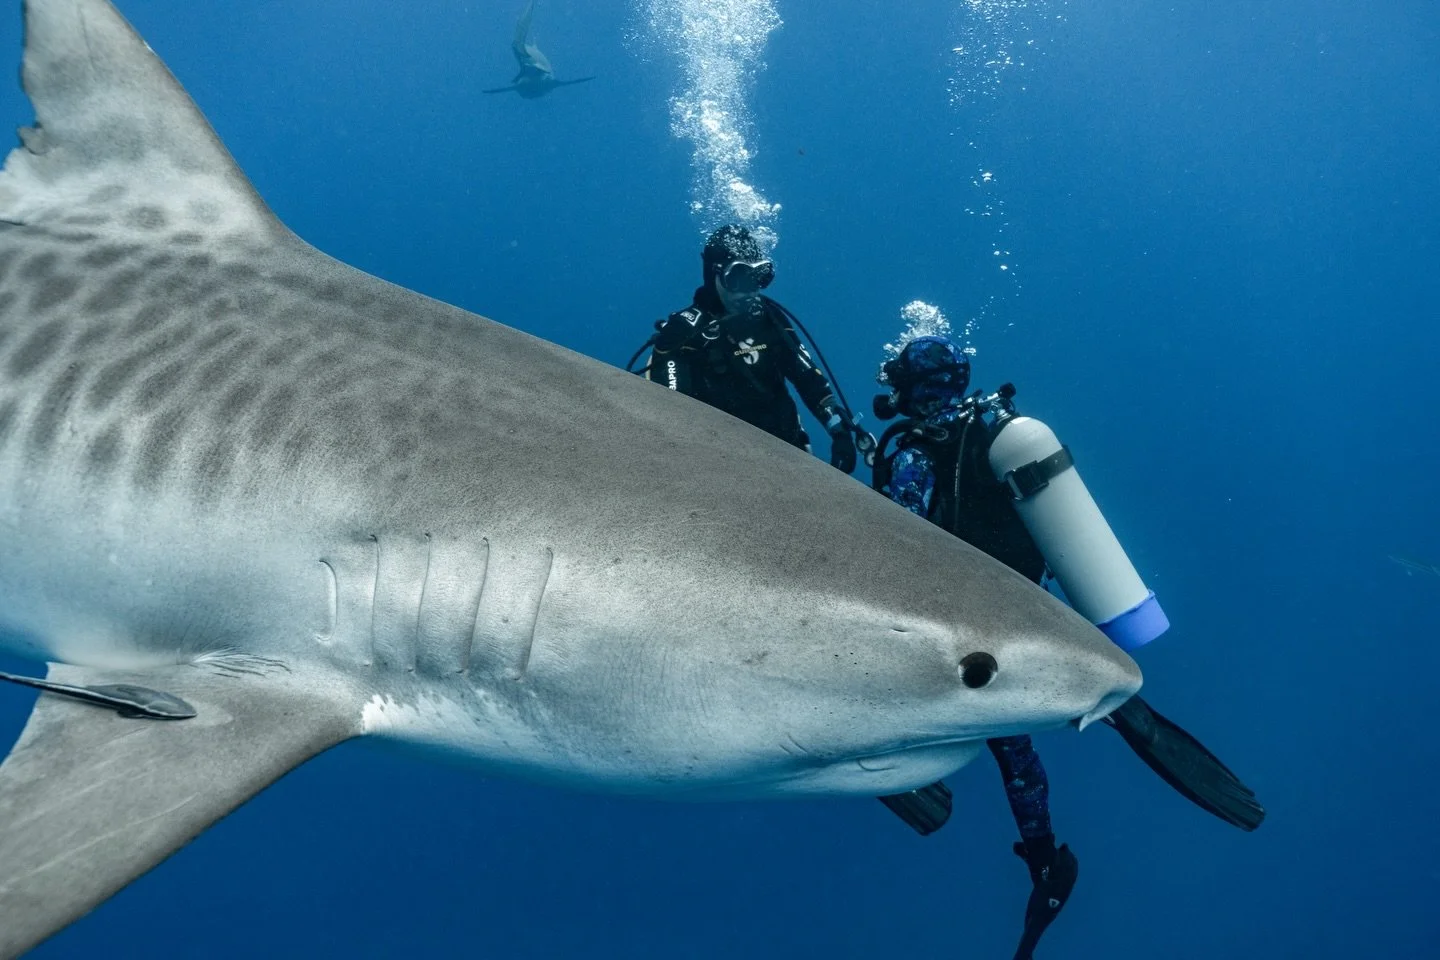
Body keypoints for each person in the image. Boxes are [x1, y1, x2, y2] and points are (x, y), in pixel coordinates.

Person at [870, 334, 1264, 960]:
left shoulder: (915, 451)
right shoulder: (1000, 431)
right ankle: (1052, 845)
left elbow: (895, 544)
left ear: (906, 390)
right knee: (1017, 745)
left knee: (993, 736)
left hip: (967, 618)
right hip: (1029, 600)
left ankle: (1024, 848)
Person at [634, 225, 862, 474]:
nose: (750, 290)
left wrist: (839, 431)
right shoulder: (684, 331)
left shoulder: (771, 319)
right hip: (717, 465)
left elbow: (808, 379)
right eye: (739, 278)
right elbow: (669, 408)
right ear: (714, 276)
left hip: (790, 454)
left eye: (758, 277)